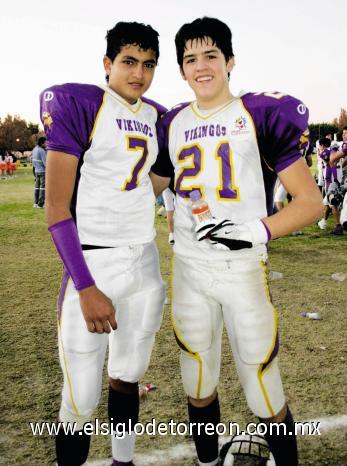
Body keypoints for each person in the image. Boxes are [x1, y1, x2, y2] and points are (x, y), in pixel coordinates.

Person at [151, 17, 323, 466]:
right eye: (191, 59)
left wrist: (252, 231)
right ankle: (208, 462)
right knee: (198, 381)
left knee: (263, 387)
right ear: (182, 70)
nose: (201, 66)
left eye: (211, 56)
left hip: (243, 270)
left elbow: (310, 203)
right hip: (189, 268)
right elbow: (145, 190)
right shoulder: (171, 122)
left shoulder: (258, 115)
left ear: (230, 62)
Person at [40, 21, 166, 466]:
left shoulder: (154, 115)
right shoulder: (82, 104)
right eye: (129, 62)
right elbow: (56, 209)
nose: (139, 73)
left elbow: (147, 183)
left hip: (144, 264)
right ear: (108, 63)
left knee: (128, 377)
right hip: (93, 268)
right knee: (80, 400)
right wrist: (86, 287)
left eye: (149, 64)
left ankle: (123, 461)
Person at [32, 137, 47, 208]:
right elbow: (45, 162)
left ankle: (35, 203)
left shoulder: (34, 149)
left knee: (36, 187)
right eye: (45, 142)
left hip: (36, 171)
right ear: (42, 143)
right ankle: (41, 204)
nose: (46, 144)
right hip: (42, 171)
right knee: (42, 188)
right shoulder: (41, 151)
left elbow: (33, 160)